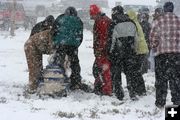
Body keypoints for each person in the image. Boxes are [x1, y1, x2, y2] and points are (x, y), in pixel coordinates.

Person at [150, 2, 180, 108]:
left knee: (161, 80)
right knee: (176, 79)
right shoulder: (178, 20)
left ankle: (160, 102)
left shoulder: (158, 21)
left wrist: (156, 47)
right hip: (176, 55)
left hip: (161, 55)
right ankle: (177, 100)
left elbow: (153, 39)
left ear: (164, 9)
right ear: (172, 9)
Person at [51, 7, 89, 91]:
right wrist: (76, 45)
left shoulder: (60, 18)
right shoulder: (78, 20)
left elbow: (53, 31)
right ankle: (75, 82)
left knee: (58, 62)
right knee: (75, 63)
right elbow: (80, 35)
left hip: (61, 44)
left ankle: (57, 81)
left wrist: (55, 42)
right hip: (73, 45)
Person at [24, 16, 55, 93]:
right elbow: (32, 39)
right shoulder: (41, 28)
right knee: (34, 68)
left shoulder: (49, 29)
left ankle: (39, 82)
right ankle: (32, 87)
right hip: (31, 46)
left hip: (38, 47)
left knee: (39, 67)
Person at [89, 4, 112, 96]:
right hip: (105, 50)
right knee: (100, 69)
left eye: (92, 15)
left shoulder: (102, 22)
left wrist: (100, 49)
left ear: (96, 13)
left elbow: (103, 37)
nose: (92, 17)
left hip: (103, 51)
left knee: (103, 70)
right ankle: (100, 87)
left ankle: (106, 89)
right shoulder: (104, 20)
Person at [127, 10, 149, 97]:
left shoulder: (133, 24)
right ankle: (140, 89)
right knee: (137, 71)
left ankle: (140, 90)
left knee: (135, 71)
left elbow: (135, 39)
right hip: (142, 50)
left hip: (139, 51)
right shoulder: (136, 22)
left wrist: (134, 51)